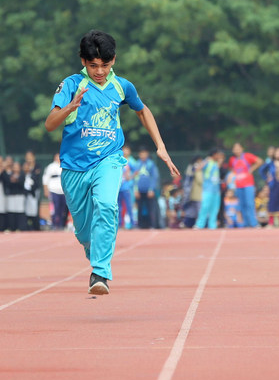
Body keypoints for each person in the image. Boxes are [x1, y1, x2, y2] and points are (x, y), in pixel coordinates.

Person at [45, 29, 179, 295]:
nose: (100, 71)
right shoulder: (71, 85)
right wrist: (70, 108)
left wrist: (160, 147)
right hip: (74, 167)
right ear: (83, 61)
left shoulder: (122, 86)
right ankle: (94, 251)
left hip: (109, 159)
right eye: (93, 65)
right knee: (84, 233)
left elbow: (143, 111)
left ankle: (100, 274)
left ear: (113, 60)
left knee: (106, 205)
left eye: (105, 65)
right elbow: (50, 124)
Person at [227, 143, 262, 228]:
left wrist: (251, 169)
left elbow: (259, 161)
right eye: (235, 148)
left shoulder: (247, 156)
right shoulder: (232, 160)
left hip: (248, 185)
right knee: (241, 205)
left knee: (250, 204)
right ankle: (245, 223)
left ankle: (254, 223)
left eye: (238, 148)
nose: (237, 150)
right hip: (238, 185)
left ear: (242, 149)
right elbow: (231, 169)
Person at [195, 149, 225, 229]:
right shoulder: (207, 161)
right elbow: (197, 168)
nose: (219, 157)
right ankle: (199, 224)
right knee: (205, 207)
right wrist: (206, 160)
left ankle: (212, 225)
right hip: (208, 189)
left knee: (215, 209)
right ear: (214, 154)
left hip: (216, 190)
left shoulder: (216, 163)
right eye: (218, 155)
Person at [43, 153, 67, 230]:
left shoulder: (65, 165)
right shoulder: (51, 166)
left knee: (63, 209)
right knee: (55, 208)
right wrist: (46, 189)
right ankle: (54, 224)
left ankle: (62, 225)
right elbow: (45, 178)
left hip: (63, 191)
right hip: (54, 190)